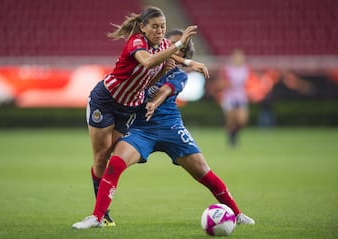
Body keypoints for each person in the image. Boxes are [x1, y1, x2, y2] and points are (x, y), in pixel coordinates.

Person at [72, 29, 255, 229]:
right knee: (115, 163)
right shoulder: (146, 67)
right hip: (141, 128)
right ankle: (98, 217)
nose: (166, 48)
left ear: (182, 56)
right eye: (167, 44)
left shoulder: (179, 75)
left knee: (202, 171)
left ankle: (236, 213)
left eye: (175, 46)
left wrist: (155, 103)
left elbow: (165, 90)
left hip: (171, 127)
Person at [82, 6, 209, 226]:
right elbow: (149, 61)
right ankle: (102, 214)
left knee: (113, 156)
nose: (160, 31)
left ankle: (98, 214)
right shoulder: (137, 42)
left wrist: (190, 63)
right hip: (105, 100)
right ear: (143, 27)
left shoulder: (163, 45)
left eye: (163, 27)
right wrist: (179, 44)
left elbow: (174, 56)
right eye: (155, 26)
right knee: (101, 157)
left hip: (128, 107)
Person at [216, 49, 250, 146]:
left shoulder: (246, 69)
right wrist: (225, 84)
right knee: (231, 120)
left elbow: (250, 83)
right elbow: (219, 83)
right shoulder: (227, 69)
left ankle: (234, 134)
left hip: (241, 97)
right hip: (229, 97)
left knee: (242, 120)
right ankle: (231, 138)